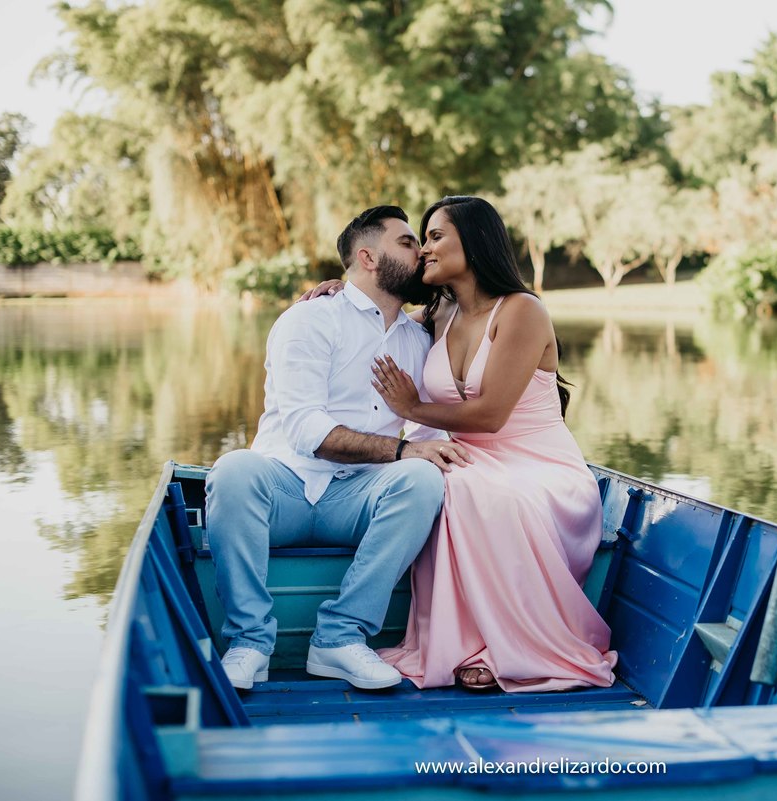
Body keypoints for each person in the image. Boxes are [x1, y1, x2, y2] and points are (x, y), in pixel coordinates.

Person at [205, 205, 472, 691]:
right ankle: (249, 643)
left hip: (357, 498)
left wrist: (423, 456)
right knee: (232, 471)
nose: (423, 251)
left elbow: (427, 440)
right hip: (284, 487)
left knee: (423, 478)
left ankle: (339, 637)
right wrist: (399, 450)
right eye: (409, 243)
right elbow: (307, 431)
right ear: (368, 257)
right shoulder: (309, 319)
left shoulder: (420, 339)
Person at [368, 196, 617, 692]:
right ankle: (464, 644)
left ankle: (507, 649)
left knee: (474, 490)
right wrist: (336, 291)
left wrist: (412, 409)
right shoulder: (438, 313)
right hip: (472, 458)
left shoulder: (522, 311)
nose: (425, 249)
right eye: (423, 238)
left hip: (540, 465)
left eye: (436, 236)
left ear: (475, 241)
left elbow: (489, 414)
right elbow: (373, 314)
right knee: (438, 479)